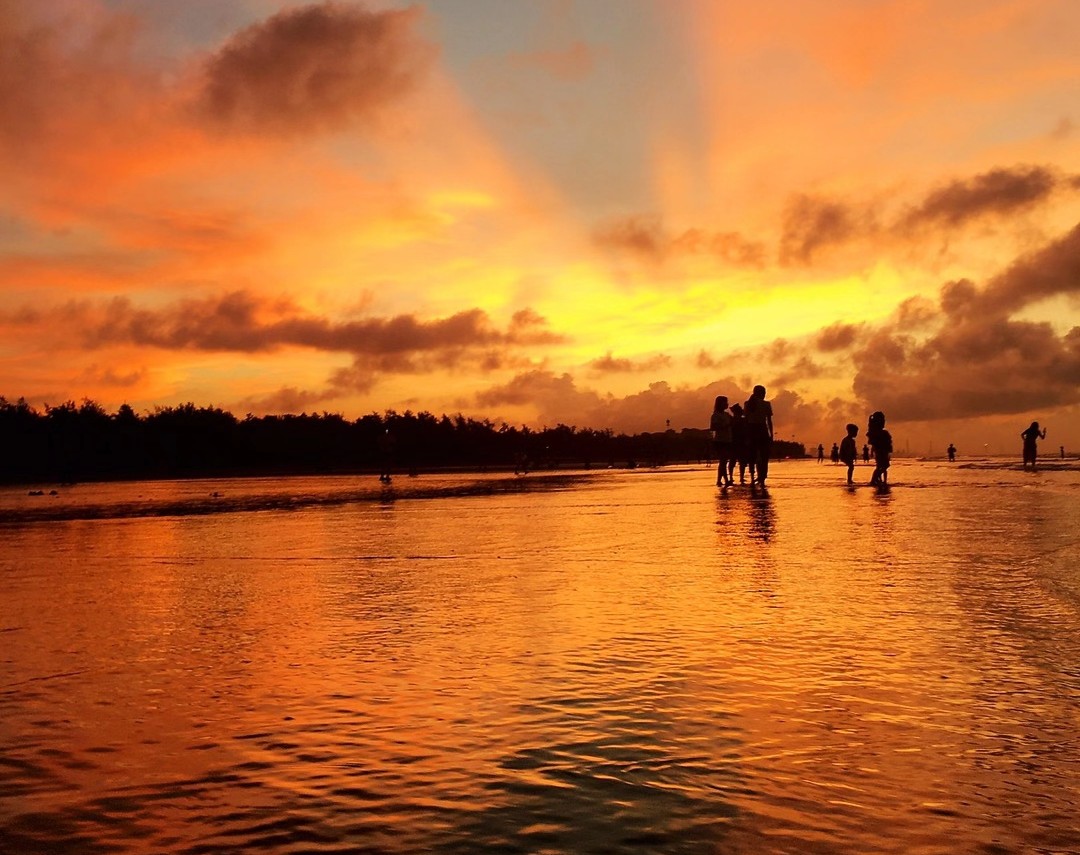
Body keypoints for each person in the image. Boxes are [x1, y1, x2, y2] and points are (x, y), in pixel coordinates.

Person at [744, 385, 774, 487]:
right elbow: (769, 422)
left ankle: (753, 477)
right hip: (762, 430)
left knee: (752, 455)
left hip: (751, 430)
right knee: (764, 456)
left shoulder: (747, 404)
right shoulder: (766, 404)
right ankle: (762, 477)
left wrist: (746, 434)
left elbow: (746, 420)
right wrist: (771, 435)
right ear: (762, 393)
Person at [709, 395, 734, 487]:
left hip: (728, 440)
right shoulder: (715, 415)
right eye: (725, 402)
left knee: (724, 461)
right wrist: (726, 425)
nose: (727, 404)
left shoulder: (727, 415)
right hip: (720, 440)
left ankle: (719, 480)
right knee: (723, 461)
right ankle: (725, 480)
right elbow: (713, 427)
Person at [866, 410, 892, 486]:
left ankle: (876, 480)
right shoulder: (879, 433)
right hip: (881, 452)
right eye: (883, 420)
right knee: (884, 465)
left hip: (881, 452)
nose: (884, 422)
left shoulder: (879, 432)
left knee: (881, 466)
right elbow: (876, 444)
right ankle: (874, 480)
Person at [729, 403, 751, 484]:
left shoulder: (732, 420)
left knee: (735, 461)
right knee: (739, 461)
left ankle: (732, 477)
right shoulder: (738, 420)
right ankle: (739, 477)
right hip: (738, 442)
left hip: (736, 442)